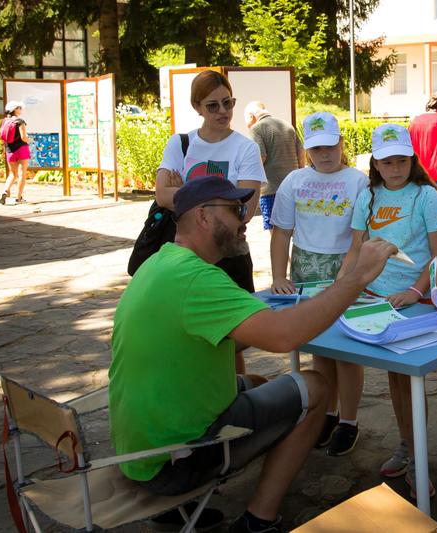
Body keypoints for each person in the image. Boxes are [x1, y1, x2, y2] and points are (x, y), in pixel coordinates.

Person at [109, 176, 397, 533]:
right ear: (202, 217)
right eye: (233, 210)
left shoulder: (159, 263)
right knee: (316, 385)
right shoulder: (198, 280)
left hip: (139, 451)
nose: (245, 218)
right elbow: (284, 337)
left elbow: (236, 337)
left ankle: (178, 512)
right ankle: (258, 519)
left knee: (258, 382)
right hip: (174, 462)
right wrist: (355, 279)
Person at [337, 123, 437, 498]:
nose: (395, 168)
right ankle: (406, 445)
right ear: (376, 164)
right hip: (375, 299)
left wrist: (416, 290)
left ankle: (418, 459)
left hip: (413, 300)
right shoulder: (368, 195)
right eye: (387, 162)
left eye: (402, 160)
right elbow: (355, 250)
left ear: (412, 160)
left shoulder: (427, 197)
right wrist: (341, 290)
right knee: (395, 380)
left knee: (411, 382)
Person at [269, 112, 368, 456]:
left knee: (348, 351)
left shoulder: (358, 181)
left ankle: (349, 421)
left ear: (341, 143)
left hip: (344, 267)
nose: (324, 155)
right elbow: (282, 232)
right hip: (305, 272)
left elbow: (363, 235)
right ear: (307, 149)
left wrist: (354, 274)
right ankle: (327, 412)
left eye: (330, 146)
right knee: (320, 349)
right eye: (316, 149)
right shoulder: (294, 181)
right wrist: (279, 275)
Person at [156, 70, 265, 374]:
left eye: (228, 103)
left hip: (229, 250)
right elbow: (160, 195)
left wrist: (184, 191)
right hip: (187, 254)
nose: (223, 112)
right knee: (187, 334)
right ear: (197, 107)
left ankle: (234, 401)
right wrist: (220, 200)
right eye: (212, 105)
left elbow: (246, 207)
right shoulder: (181, 144)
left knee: (232, 339)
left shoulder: (246, 147)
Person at [244, 101, 304, 230]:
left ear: (251, 116)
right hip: (293, 187)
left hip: (271, 189)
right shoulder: (287, 125)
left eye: (246, 121)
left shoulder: (257, 129)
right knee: (294, 228)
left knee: (275, 231)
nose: (247, 125)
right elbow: (301, 153)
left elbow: (260, 157)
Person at [0, 101, 30, 205]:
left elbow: (1, 137)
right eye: (20, 108)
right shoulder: (20, 121)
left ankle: (5, 191)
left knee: (12, 174)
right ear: (15, 109)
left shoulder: (3, 121)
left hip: (10, 150)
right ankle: (19, 198)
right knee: (22, 174)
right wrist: (29, 140)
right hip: (22, 150)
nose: (21, 109)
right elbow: (23, 137)